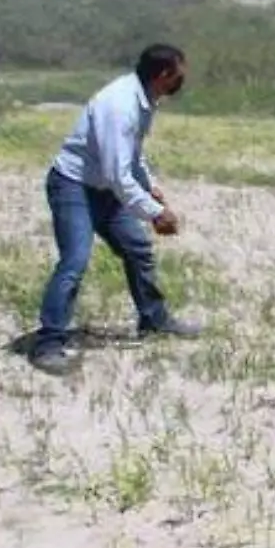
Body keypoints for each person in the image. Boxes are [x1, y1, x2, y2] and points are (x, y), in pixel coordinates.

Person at [30, 44, 201, 375]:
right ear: (163, 75)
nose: (182, 80)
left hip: (105, 188)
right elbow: (117, 174)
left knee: (137, 249)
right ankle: (48, 343)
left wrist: (150, 184)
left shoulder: (143, 100)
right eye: (179, 74)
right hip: (73, 186)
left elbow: (131, 155)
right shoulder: (120, 105)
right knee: (74, 261)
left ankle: (154, 320)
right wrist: (154, 212)